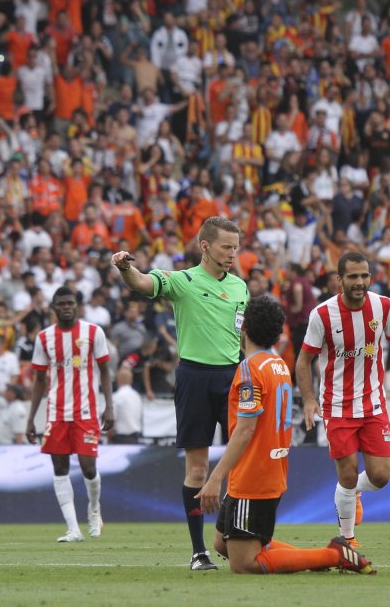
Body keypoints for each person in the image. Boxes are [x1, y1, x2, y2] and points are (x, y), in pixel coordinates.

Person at [195, 295, 374, 574]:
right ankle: (328, 553)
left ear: (243, 330)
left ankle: (332, 556)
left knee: (244, 564)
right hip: (271, 468)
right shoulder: (278, 364)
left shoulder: (250, 370)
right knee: (222, 543)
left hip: (252, 475)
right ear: (278, 333)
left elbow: (245, 430)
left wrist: (214, 478)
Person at [112, 216, 249, 570]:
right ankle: (198, 551)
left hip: (232, 377)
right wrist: (126, 269)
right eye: (226, 247)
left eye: (236, 247)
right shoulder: (183, 281)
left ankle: (230, 533)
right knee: (197, 468)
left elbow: (241, 338)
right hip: (194, 377)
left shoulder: (240, 288)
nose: (233, 253)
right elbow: (142, 283)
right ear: (205, 246)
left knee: (242, 464)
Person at [294, 251, 390, 547]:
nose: (360, 282)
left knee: (381, 476)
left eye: (364, 276)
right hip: (337, 406)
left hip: (374, 404)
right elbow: (303, 361)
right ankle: (348, 539)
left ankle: (353, 494)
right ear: (339, 280)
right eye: (352, 276)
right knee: (347, 474)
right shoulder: (322, 315)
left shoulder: (383, 306)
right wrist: (309, 400)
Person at [28, 286, 114, 543]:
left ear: (77, 305)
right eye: (61, 304)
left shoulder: (93, 332)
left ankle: (95, 510)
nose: (66, 307)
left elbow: (106, 371)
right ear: (53, 308)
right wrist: (32, 417)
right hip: (56, 413)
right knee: (60, 467)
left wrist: (109, 406)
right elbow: (39, 380)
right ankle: (73, 529)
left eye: (70, 303)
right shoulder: (44, 338)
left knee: (88, 467)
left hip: (86, 410)